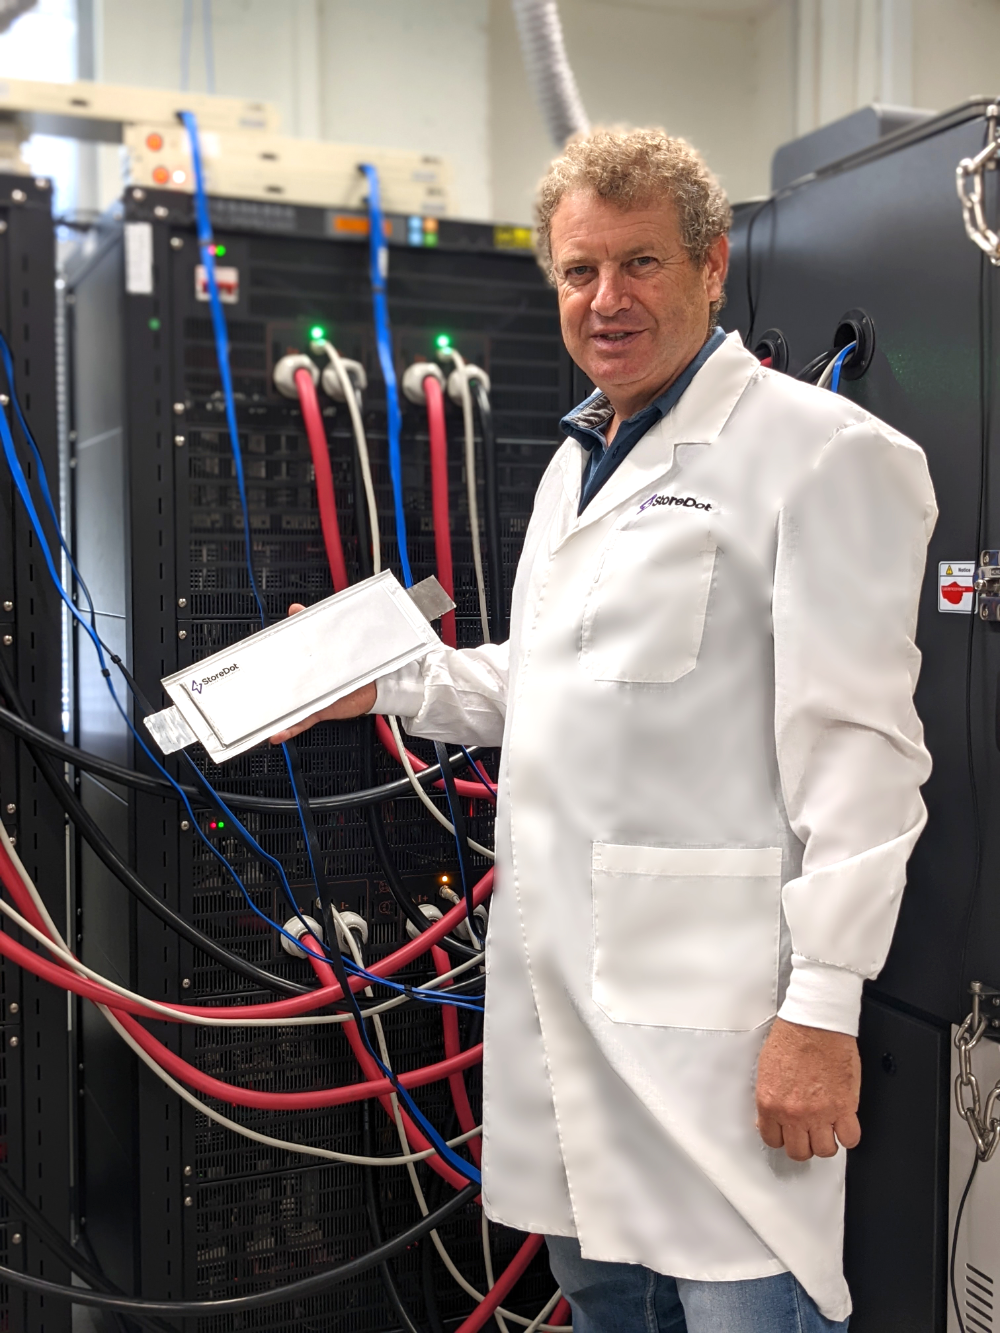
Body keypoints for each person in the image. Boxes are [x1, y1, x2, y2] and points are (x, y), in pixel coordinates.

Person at [272, 128, 936, 1332]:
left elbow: (865, 754)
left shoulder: (823, 454)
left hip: (722, 1037)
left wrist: (824, 1008)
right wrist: (384, 681)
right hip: (569, 1025)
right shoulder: (577, 461)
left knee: (748, 1305)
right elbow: (553, 678)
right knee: (603, 1298)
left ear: (710, 264)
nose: (606, 300)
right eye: (579, 272)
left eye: (639, 264)